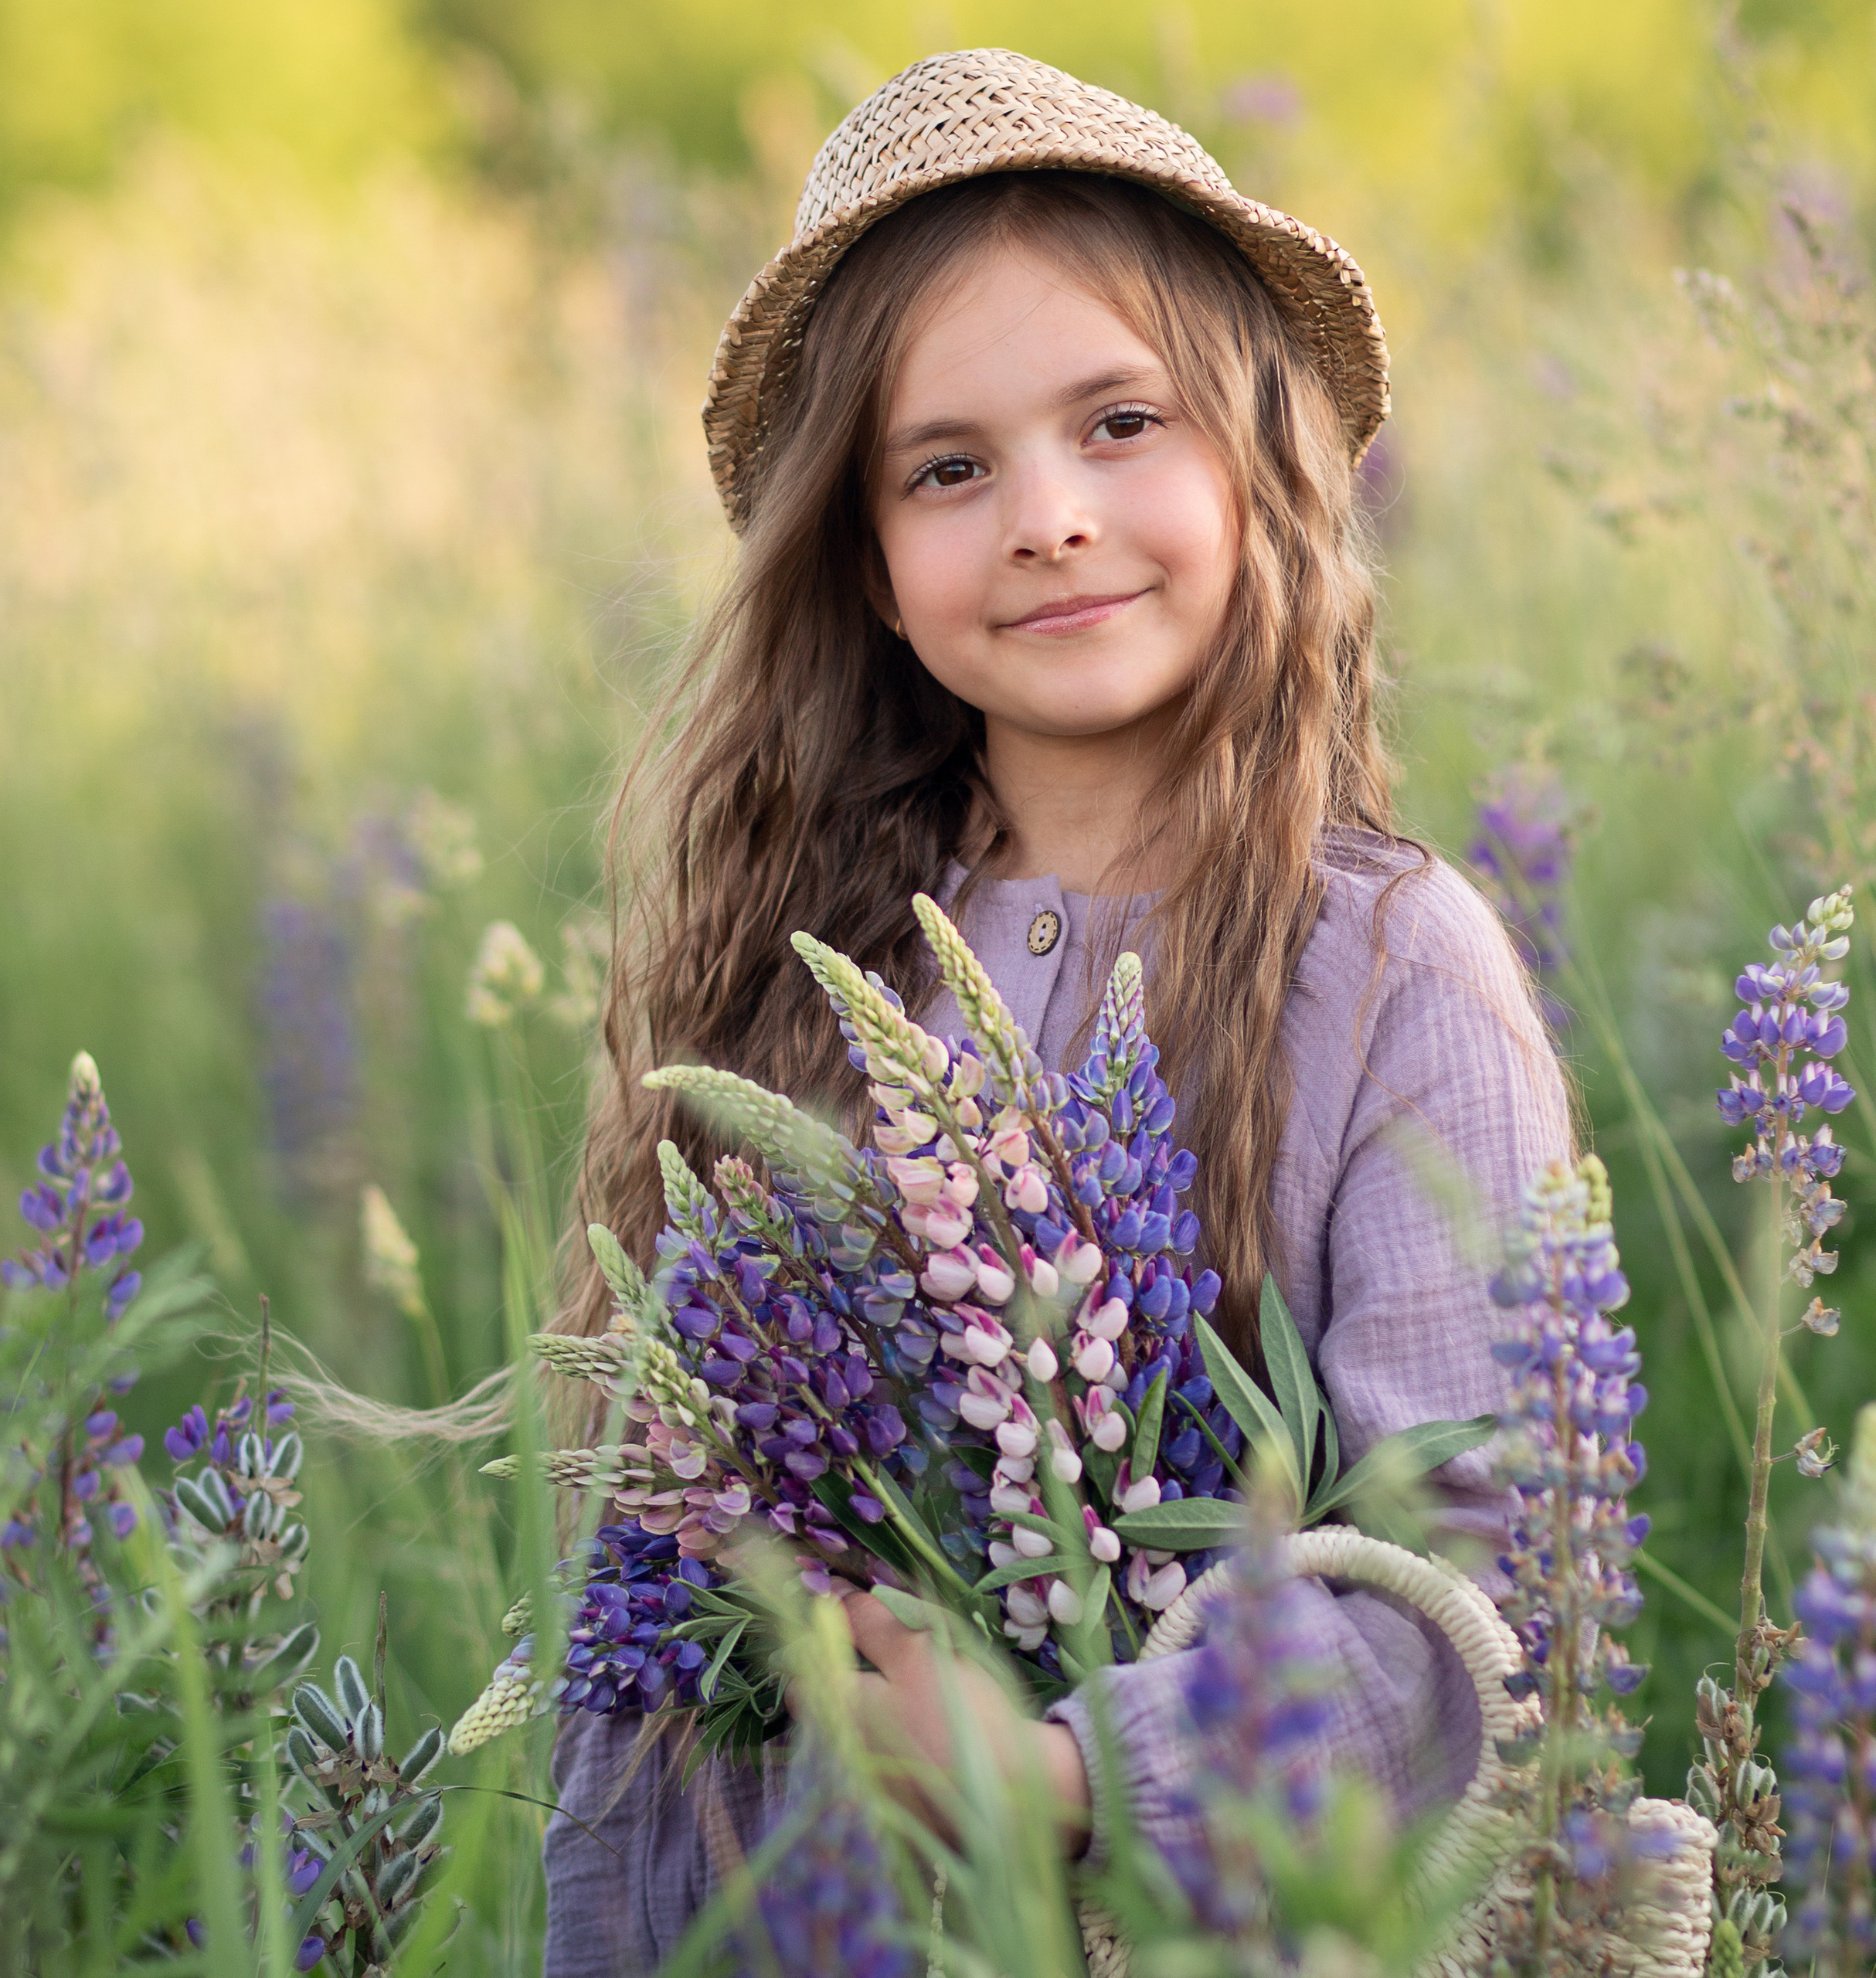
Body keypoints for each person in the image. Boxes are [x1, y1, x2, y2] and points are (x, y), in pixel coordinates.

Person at [541, 48, 1566, 1975]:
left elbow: (1471, 1580)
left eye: (1117, 421)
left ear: (1264, 457)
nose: (1045, 515)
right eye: (948, 466)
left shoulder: (1394, 964)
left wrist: (1069, 1773)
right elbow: (660, 1601)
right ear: (865, 559)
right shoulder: (802, 965)